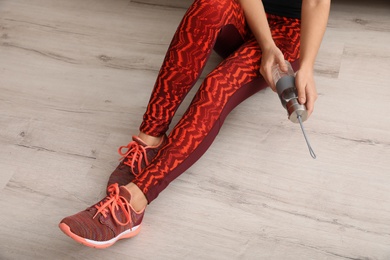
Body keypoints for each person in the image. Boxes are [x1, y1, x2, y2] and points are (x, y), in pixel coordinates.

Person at [59, 0, 331, 248]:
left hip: (291, 30)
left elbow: (317, 2)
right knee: (207, 6)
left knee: (217, 84)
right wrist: (265, 44)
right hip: (247, 13)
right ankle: (150, 139)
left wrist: (305, 66)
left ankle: (135, 201)